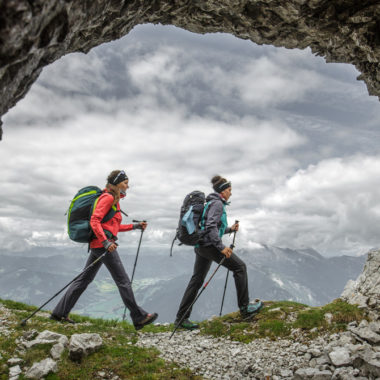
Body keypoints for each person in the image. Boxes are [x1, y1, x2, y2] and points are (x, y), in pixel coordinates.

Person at [50, 170, 158, 330]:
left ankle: (59, 313)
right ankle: (139, 316)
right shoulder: (107, 198)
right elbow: (95, 220)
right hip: (103, 246)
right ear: (116, 183)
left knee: (84, 280)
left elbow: (113, 227)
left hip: (99, 245)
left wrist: (134, 226)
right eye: (125, 182)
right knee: (123, 281)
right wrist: (106, 242)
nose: (128, 186)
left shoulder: (114, 199)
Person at [175, 175, 261, 330]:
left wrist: (229, 229)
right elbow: (210, 226)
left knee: (196, 280)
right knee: (240, 267)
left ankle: (181, 319)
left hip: (201, 246)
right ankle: (245, 309)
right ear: (223, 191)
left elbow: (212, 226)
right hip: (210, 246)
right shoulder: (217, 204)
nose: (231, 193)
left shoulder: (210, 203)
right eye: (229, 190)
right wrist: (221, 247)